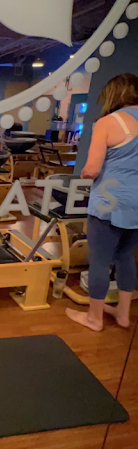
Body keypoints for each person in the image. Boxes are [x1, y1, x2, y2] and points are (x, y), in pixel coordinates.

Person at [66, 73, 138, 332]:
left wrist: (85, 173)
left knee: (99, 260)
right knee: (125, 257)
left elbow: (92, 169)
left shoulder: (108, 122)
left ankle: (94, 318)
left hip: (109, 201)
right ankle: (123, 314)